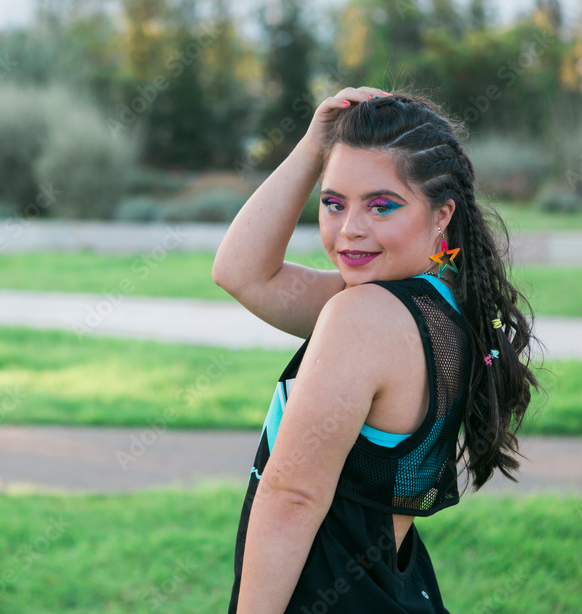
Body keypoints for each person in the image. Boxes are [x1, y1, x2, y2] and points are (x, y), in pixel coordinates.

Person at [212, 86, 545, 613]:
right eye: (333, 203)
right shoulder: (440, 303)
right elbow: (242, 273)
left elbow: (292, 497)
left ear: (441, 216)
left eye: (381, 205)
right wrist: (311, 149)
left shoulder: (362, 317)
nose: (350, 229)